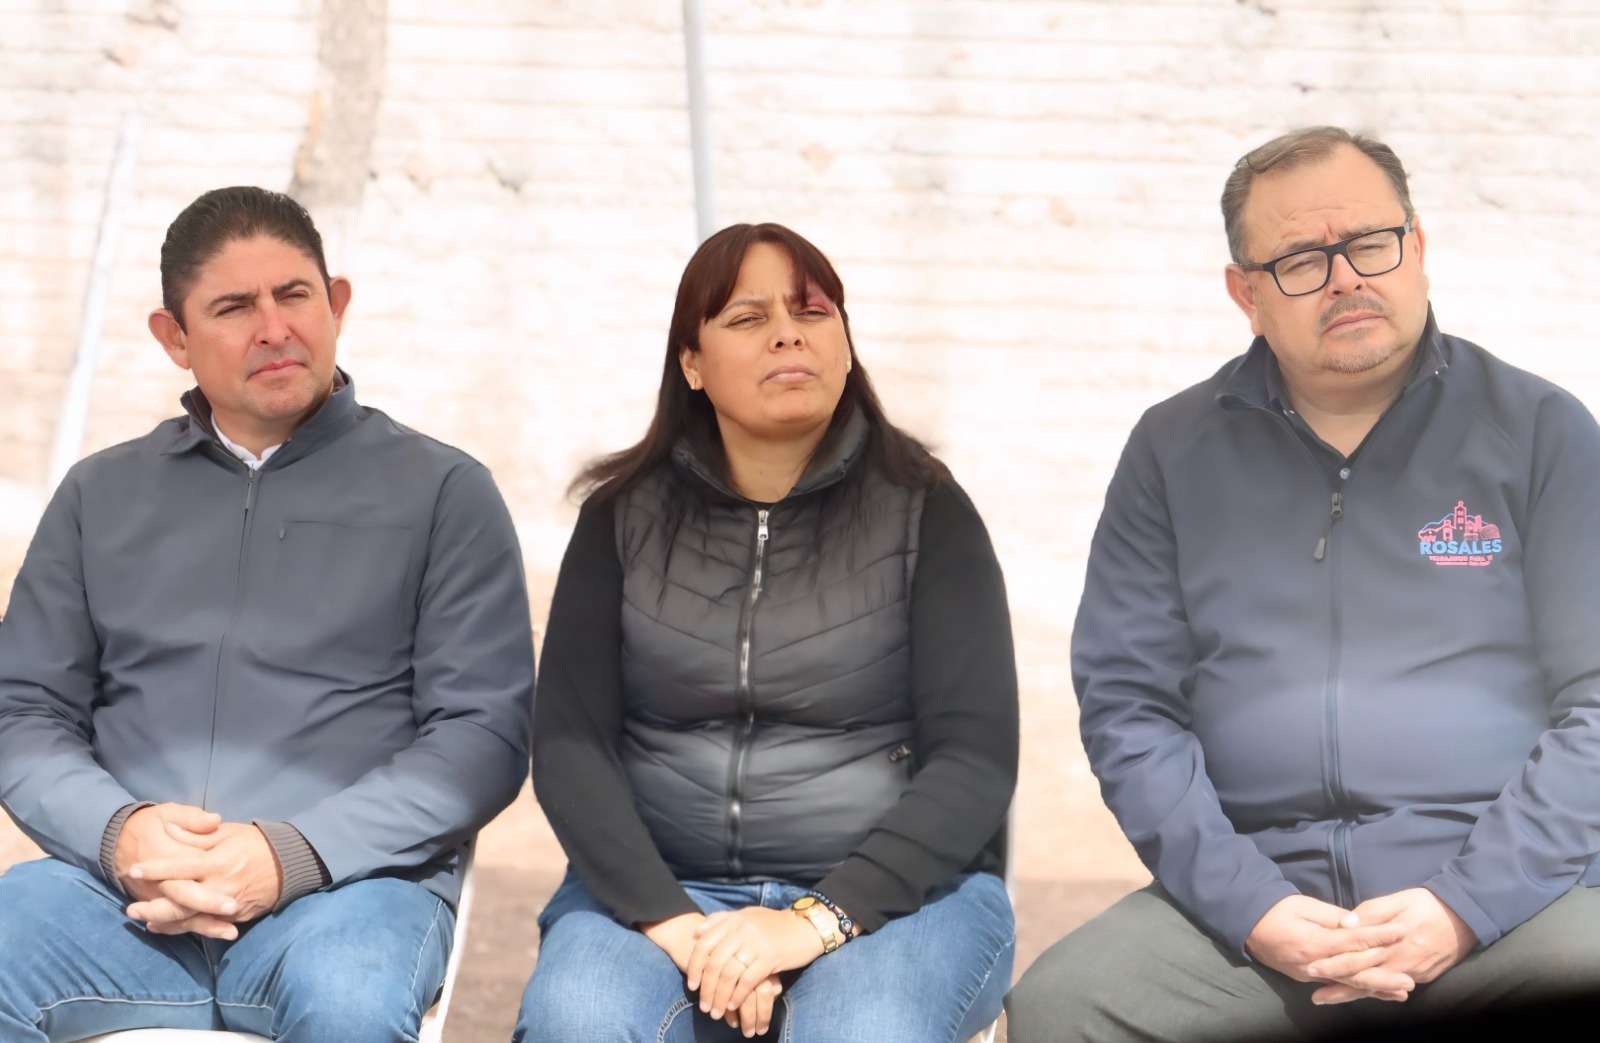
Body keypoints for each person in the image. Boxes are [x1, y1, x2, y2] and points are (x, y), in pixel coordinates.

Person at [1006, 126, 1600, 1042]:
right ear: (1245, 294)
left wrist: (1463, 905)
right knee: (1066, 1004)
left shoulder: (1539, 431)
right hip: (1257, 912)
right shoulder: (1173, 450)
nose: (1345, 278)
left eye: (1370, 243)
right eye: (1300, 261)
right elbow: (1129, 708)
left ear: (1418, 247)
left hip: (1505, 903)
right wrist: (1254, 908)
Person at [0, 186, 534, 1041]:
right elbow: (22, 709)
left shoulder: (443, 493)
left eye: (294, 295)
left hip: (349, 893)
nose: (275, 328)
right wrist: (121, 833)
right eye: (234, 307)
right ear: (174, 337)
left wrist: (288, 855)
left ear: (338, 304)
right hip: (115, 897)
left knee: (350, 1002)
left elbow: (483, 735)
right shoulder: (101, 495)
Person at [514, 223, 1017, 1042]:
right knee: (580, 1020)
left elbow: (976, 761)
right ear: (692, 362)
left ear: (845, 344)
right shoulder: (621, 515)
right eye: (748, 318)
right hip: (665, 894)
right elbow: (571, 746)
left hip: (896, 901)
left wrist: (811, 922)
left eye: (811, 311)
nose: (788, 332)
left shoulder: (929, 510)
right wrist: (678, 925)